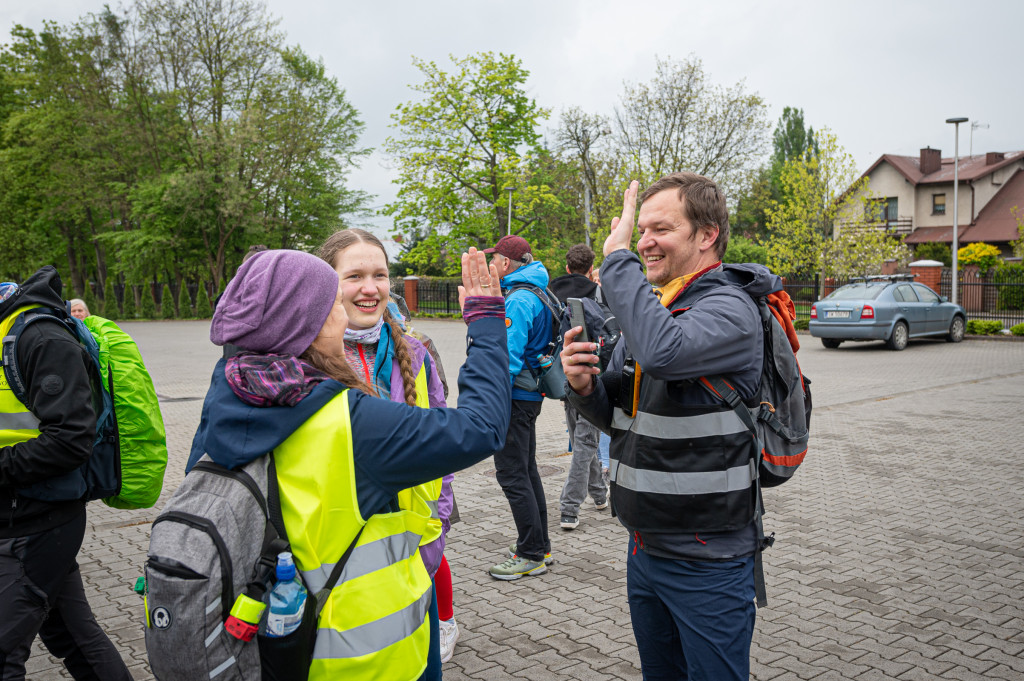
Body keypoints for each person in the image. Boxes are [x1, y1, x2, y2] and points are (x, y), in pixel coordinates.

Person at [188, 248, 508, 681]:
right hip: (361, 656)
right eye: (331, 307)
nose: (343, 315)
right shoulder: (348, 420)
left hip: (275, 643)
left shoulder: (228, 392)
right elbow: (482, 428)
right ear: (307, 322)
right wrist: (486, 324)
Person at [562, 173, 780, 680]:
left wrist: (616, 259)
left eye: (661, 228)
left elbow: (665, 353)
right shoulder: (659, 309)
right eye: (639, 231)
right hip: (646, 546)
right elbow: (622, 421)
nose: (643, 242)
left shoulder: (729, 308)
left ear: (706, 235)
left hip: (707, 558)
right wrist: (584, 386)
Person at [316, 229, 458, 669]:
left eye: (380, 275)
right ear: (325, 283)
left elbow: (441, 451)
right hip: (332, 566)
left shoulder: (414, 352)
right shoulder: (301, 358)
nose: (371, 288)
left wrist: (436, 529)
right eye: (354, 275)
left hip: (411, 558)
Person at [0, 270, 133, 681]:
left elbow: (71, 441)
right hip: (22, 517)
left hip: (38, 524)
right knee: (75, 639)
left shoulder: (40, 337)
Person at [481, 235, 554, 581]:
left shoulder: (518, 299)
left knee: (512, 473)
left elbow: (506, 358)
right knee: (527, 469)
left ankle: (530, 553)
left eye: (493, 259)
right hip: (531, 395)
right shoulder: (538, 289)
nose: (491, 265)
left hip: (515, 396)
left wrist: (491, 398)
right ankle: (540, 544)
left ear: (506, 264)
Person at [548, 244, 607, 530]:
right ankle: (571, 507)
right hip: (594, 378)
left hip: (564, 377)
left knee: (583, 442)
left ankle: (597, 494)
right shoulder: (597, 293)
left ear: (568, 266)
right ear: (590, 267)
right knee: (585, 442)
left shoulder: (550, 293)